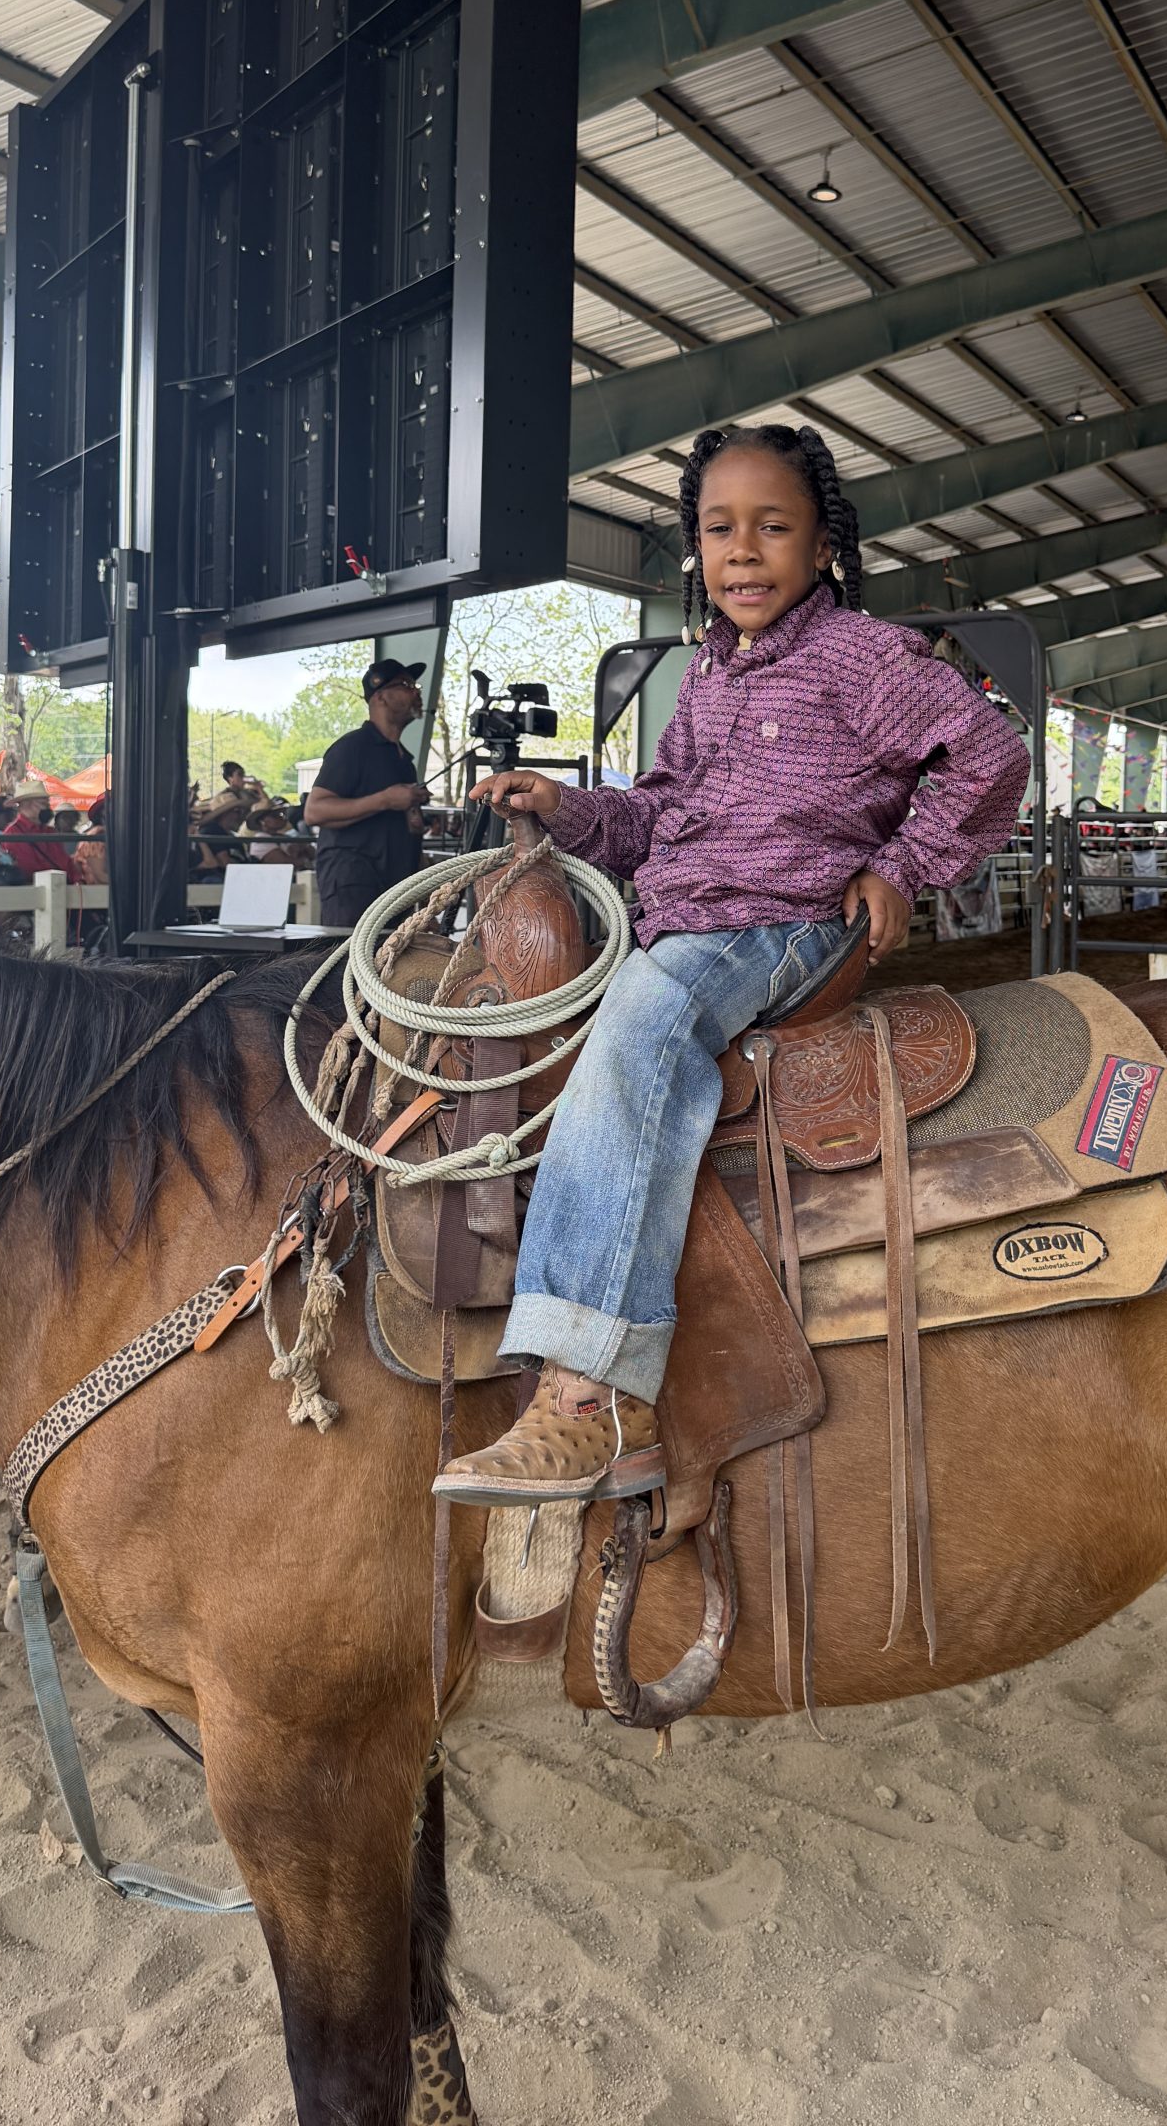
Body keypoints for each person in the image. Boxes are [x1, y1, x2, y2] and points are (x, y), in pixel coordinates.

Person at [433, 421, 1031, 1507]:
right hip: (687, 918)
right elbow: (658, 813)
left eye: (773, 528)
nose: (743, 552)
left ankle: (592, 1395)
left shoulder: (860, 655)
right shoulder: (709, 670)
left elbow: (989, 752)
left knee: (646, 1023)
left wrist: (904, 866)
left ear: (824, 547)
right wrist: (566, 805)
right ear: (695, 549)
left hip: (785, 921)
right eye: (719, 530)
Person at [304, 659, 430, 926]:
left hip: (395, 888)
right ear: (380, 696)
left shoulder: (403, 759)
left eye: (415, 686)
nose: (416, 692)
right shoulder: (352, 747)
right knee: (351, 953)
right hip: (354, 882)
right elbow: (315, 811)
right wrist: (386, 800)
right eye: (406, 685)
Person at [1, 780, 76, 878]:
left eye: (47, 804)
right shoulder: (13, 832)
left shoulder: (50, 831)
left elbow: (64, 861)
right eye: (43, 804)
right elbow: (27, 867)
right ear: (26, 804)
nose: (48, 808)